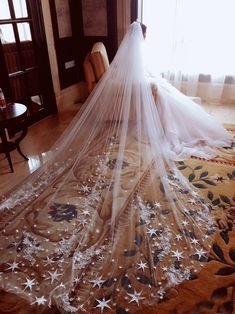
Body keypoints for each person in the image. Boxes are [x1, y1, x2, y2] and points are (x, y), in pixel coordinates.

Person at [0, 22, 227, 313]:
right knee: (163, 94)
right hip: (130, 89)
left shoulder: (124, 48)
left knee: (163, 92)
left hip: (133, 85)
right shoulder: (127, 51)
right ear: (140, 35)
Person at [139, 21, 232, 161]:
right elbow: (137, 75)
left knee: (170, 97)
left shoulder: (135, 50)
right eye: (145, 34)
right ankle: (181, 127)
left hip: (150, 83)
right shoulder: (136, 51)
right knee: (167, 98)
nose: (146, 37)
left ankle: (188, 126)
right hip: (145, 84)